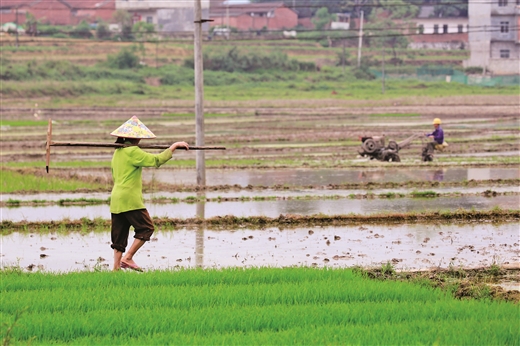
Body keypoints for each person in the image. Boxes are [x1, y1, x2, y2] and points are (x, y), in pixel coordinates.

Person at [109, 116, 189, 271]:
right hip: (129, 199)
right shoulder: (133, 152)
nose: (139, 140)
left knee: (119, 236)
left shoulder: (117, 153)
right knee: (146, 228)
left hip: (116, 199)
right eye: (138, 137)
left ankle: (115, 269)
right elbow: (156, 160)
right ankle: (128, 258)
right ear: (132, 138)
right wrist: (174, 146)